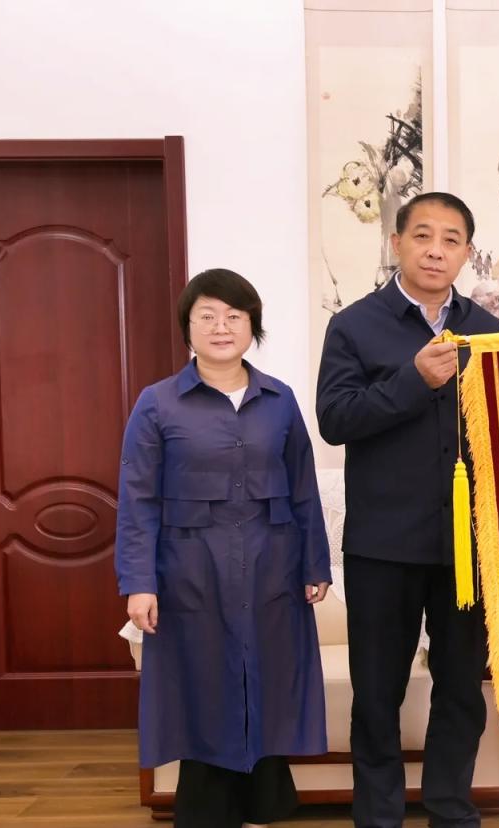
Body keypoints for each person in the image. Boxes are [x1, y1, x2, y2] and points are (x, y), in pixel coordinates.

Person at [315, 192, 499, 828]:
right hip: (383, 545)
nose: (435, 250)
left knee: (461, 690)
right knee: (377, 694)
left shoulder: (489, 330)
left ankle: (452, 809)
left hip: (466, 548)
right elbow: (335, 419)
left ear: (467, 253)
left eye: (451, 239)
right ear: (396, 242)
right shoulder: (355, 325)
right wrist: (412, 381)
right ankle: (378, 817)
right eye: (422, 235)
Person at [116, 268, 332, 828]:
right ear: (187, 328)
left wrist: (315, 564)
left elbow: (303, 487)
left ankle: (263, 807)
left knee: (267, 684)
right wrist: (138, 583)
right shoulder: (157, 404)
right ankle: (207, 812)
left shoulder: (279, 400)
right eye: (207, 316)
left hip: (271, 572)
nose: (221, 327)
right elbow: (138, 499)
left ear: (252, 326)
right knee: (204, 688)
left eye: (234, 316)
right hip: (190, 576)